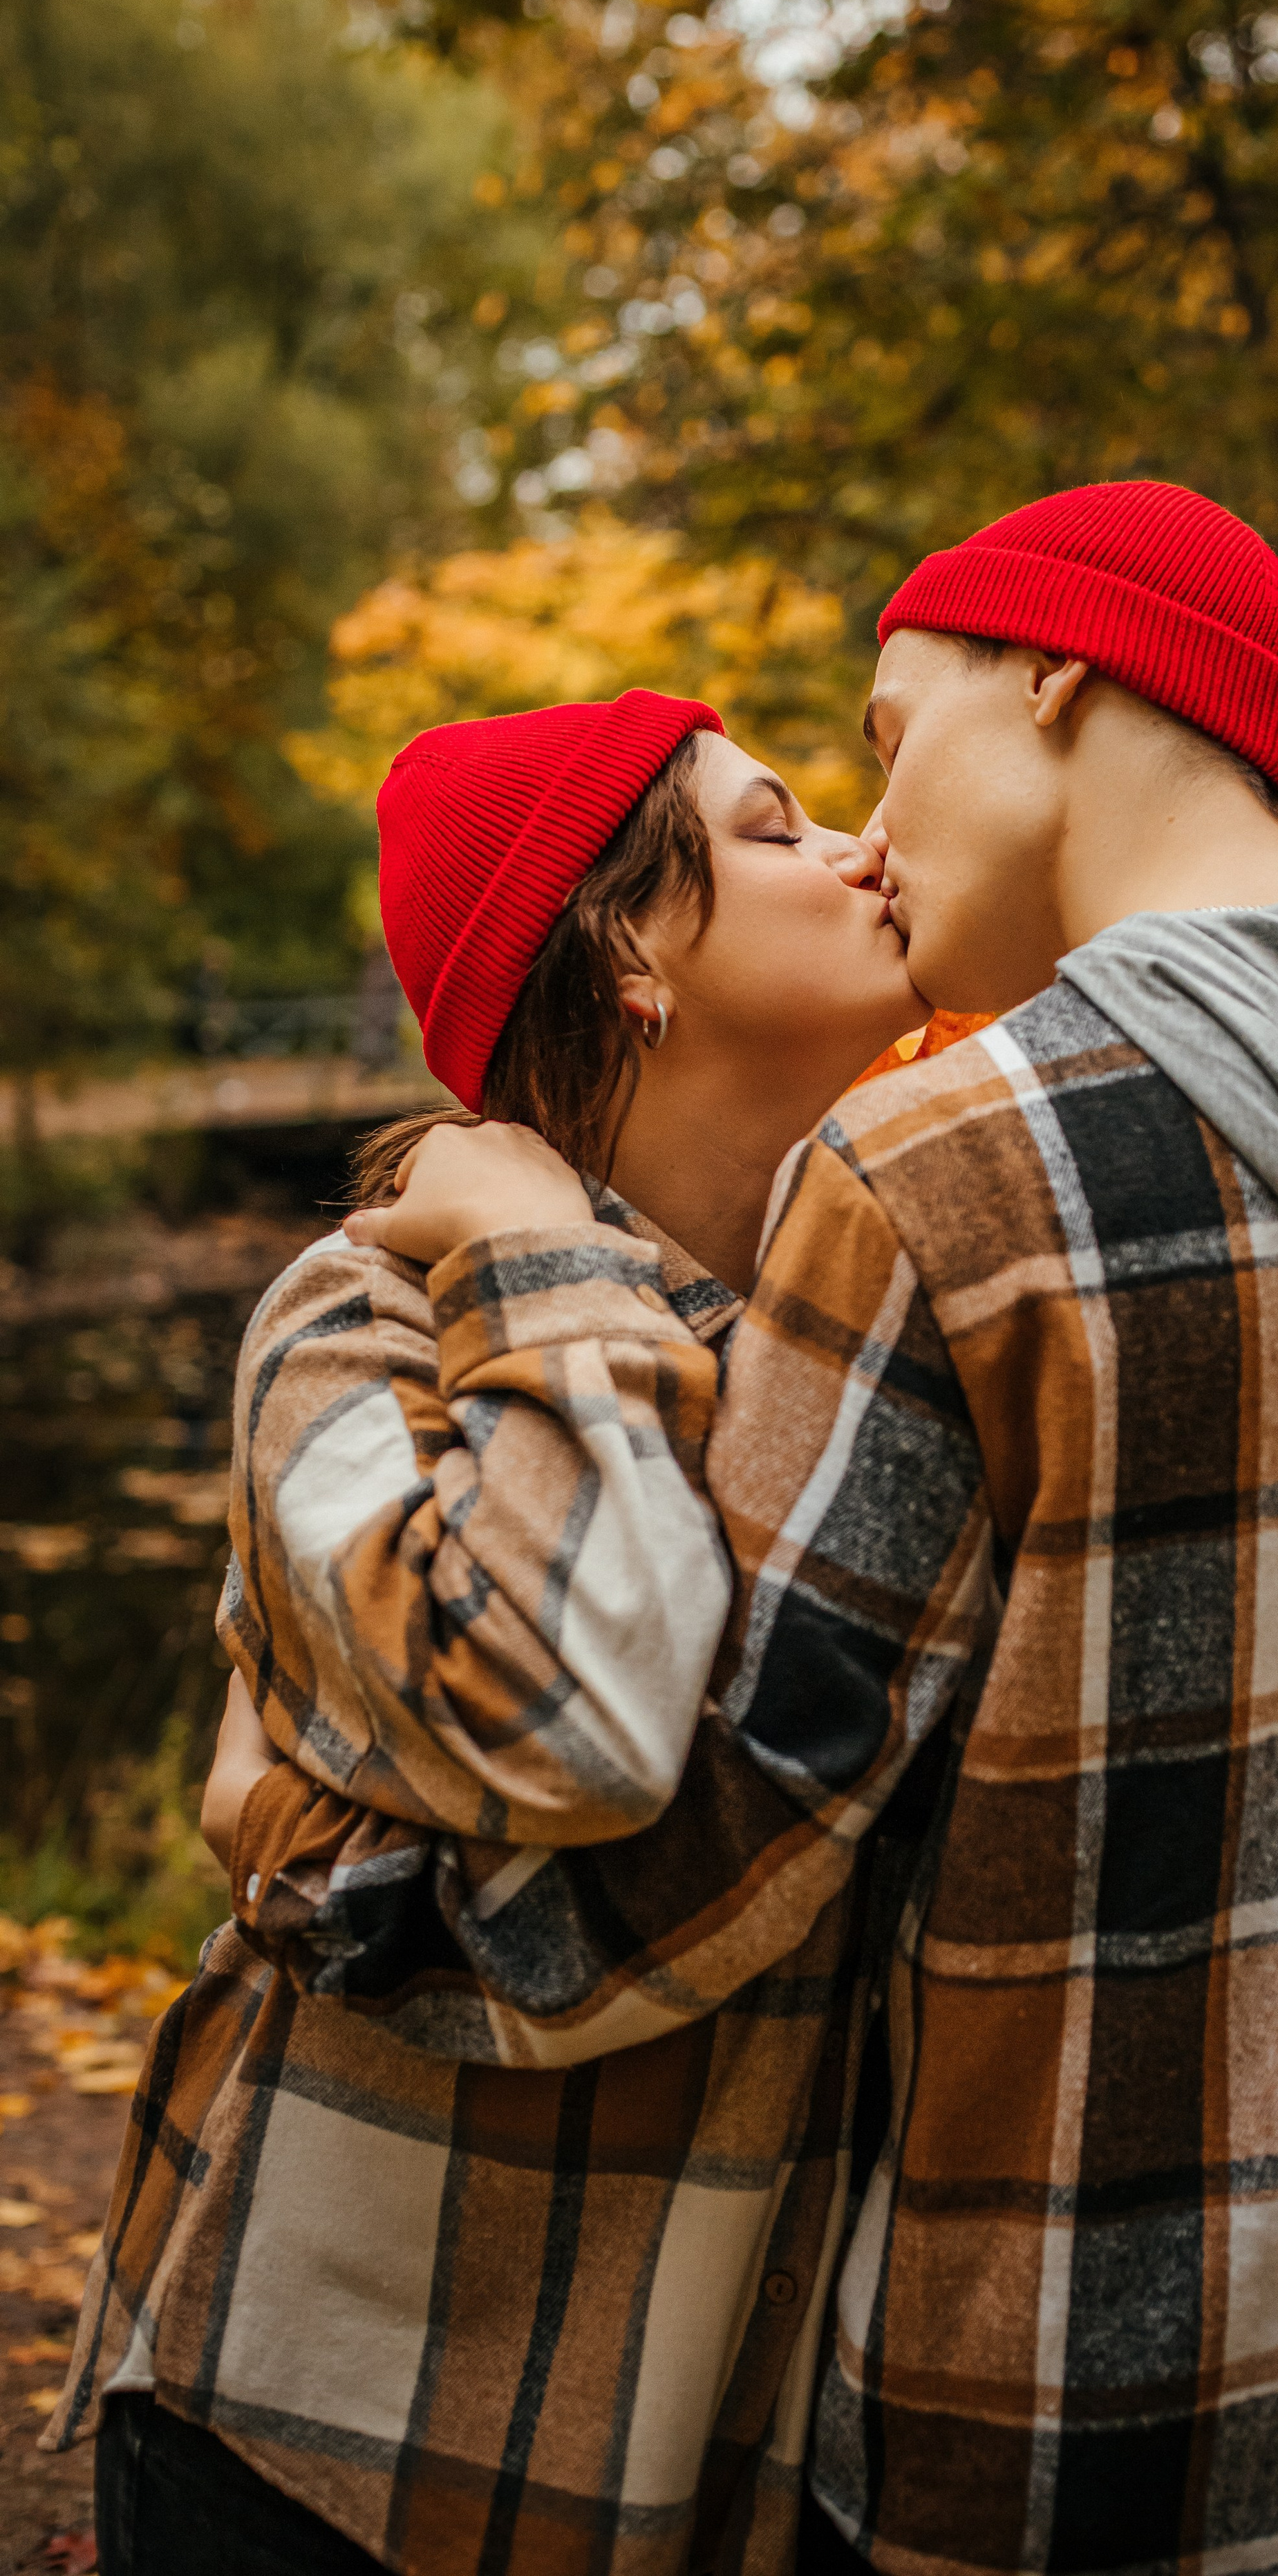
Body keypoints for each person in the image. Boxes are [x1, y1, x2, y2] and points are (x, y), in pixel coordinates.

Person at [192, 486, 1278, 2576]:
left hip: (1062, 2443)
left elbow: (683, 1886)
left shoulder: (955, 1172)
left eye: (888, 734)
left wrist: (295, 1833)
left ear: (1054, 677)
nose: (874, 828)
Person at [46, 690, 937, 2576]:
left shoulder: (855, 1329)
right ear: (626, 952)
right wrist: (538, 1244)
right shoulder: (363, 1314)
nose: (865, 849)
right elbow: (575, 1720)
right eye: (778, 829)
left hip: (674, 2482)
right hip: (324, 2455)